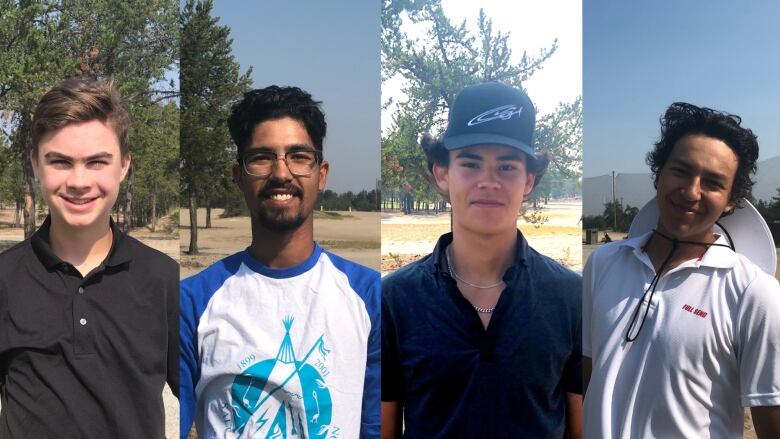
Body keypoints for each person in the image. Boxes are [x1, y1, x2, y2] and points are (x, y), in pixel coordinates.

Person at [381, 82, 582, 438]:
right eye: (471, 164)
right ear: (442, 173)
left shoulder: (572, 296)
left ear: (529, 180)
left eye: (506, 167)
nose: (488, 182)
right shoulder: (394, 299)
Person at [179, 86, 381, 438]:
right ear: (238, 175)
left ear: (322, 174)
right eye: (261, 157)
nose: (281, 173)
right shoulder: (191, 303)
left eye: (299, 156)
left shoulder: (372, 298)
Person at [583, 102, 780, 438]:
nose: (691, 192)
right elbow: (587, 374)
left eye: (714, 183)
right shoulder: (603, 262)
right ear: (659, 173)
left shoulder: (754, 292)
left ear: (731, 200)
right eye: (681, 171)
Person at [0, 78, 179, 438]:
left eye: (97, 162)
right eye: (60, 162)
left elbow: (201, 397)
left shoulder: (163, 278)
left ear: (124, 165)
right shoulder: (4, 278)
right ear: (35, 164)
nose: (79, 181)